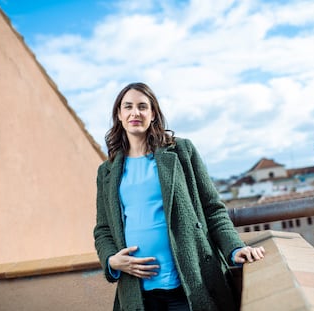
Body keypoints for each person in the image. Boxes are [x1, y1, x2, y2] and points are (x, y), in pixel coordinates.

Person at [93, 82, 265, 311]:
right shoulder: (107, 171)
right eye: (128, 107)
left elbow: (212, 208)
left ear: (153, 114)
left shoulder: (181, 151)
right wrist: (111, 261)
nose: (135, 113)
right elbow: (103, 229)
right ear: (119, 114)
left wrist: (234, 248)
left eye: (143, 107)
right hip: (138, 293)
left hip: (188, 285)